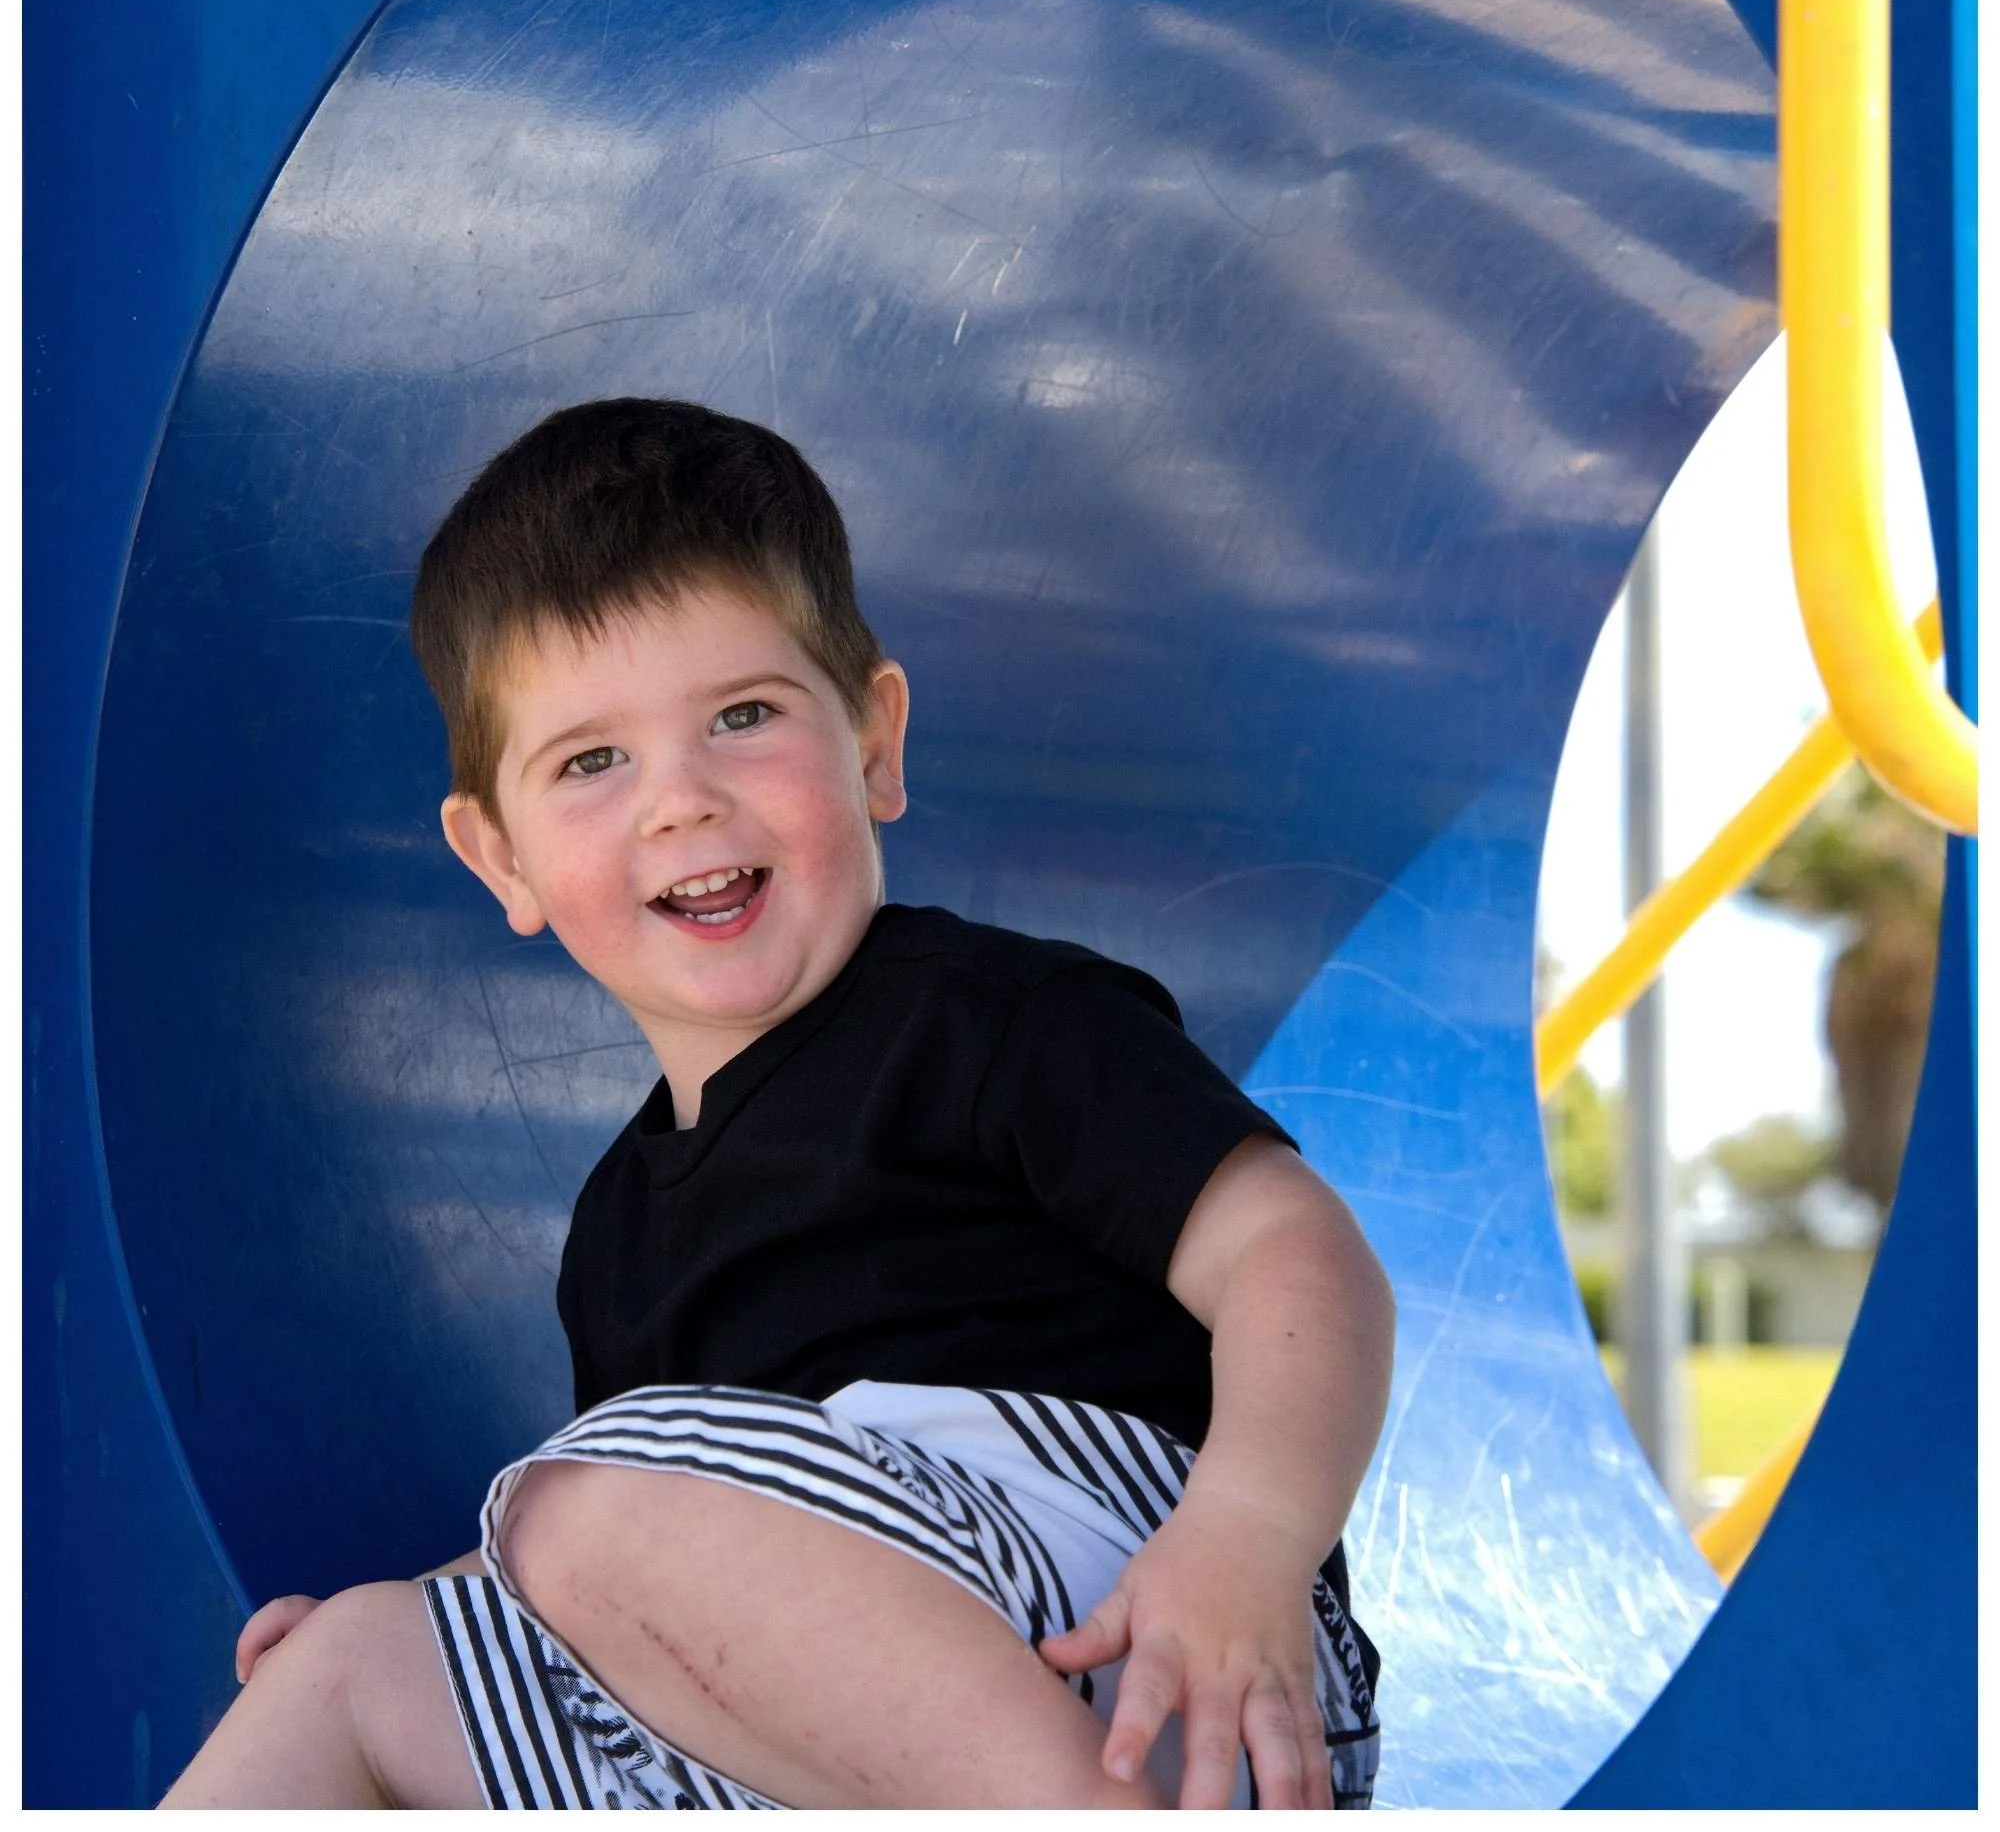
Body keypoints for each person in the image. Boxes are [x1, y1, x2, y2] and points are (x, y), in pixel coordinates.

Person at [160, 398, 1395, 1811]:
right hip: (825, 1741)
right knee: (360, 1657)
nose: (680, 803)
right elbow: (669, 1591)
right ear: (495, 857)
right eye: (591, 762)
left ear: (874, 740)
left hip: (1158, 1642)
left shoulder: (987, 1019)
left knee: (575, 1507)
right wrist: (445, 1605)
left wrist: (1250, 1531)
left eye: (743, 717)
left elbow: (1299, 1255)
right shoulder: (617, 1233)